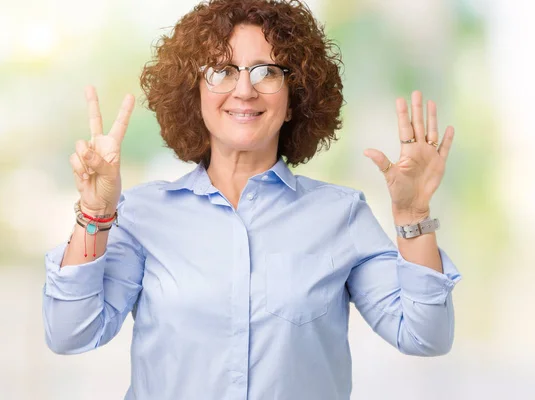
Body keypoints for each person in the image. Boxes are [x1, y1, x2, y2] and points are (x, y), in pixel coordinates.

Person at [42, 0, 461, 399]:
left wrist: (413, 215)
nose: (244, 90)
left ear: (295, 97)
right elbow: (70, 333)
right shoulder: (143, 215)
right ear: (196, 94)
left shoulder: (340, 215)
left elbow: (425, 336)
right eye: (222, 71)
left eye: (266, 72)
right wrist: (96, 213)